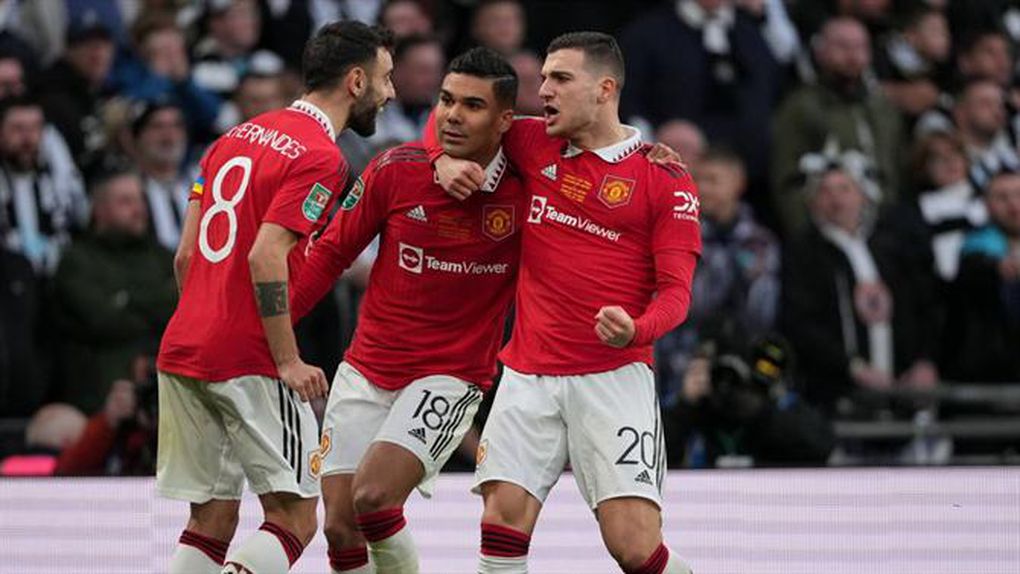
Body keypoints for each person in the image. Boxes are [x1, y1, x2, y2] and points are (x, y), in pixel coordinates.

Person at [428, 32, 700, 574]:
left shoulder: (663, 178)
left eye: (560, 78)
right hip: (527, 373)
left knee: (634, 547)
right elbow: (452, 121)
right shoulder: (532, 142)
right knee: (500, 523)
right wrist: (440, 161)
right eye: (545, 77)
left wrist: (637, 328)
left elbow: (677, 293)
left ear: (604, 89)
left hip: (612, 377)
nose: (544, 89)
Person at [155, 21, 394, 574]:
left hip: (184, 347)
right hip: (250, 357)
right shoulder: (321, 157)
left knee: (210, 521)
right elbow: (266, 256)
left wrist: (206, 321)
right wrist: (287, 359)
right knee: (295, 517)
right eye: (385, 78)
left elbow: (185, 256)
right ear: (356, 81)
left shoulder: (232, 137)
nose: (391, 92)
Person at [291, 46, 525, 574]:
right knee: (339, 527)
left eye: (473, 105)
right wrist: (273, 337)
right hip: (367, 367)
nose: (453, 116)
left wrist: (645, 156)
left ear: (504, 120)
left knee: (374, 497)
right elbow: (329, 255)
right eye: (446, 100)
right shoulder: (395, 168)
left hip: (449, 376)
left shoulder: (525, 189)